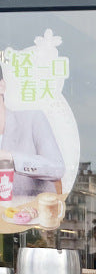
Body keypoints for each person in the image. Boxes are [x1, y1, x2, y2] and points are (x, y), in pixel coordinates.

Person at [0, 63, 65, 198]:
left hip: (33, 215)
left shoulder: (33, 118)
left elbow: (57, 168)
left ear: (2, 86)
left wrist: (10, 157)